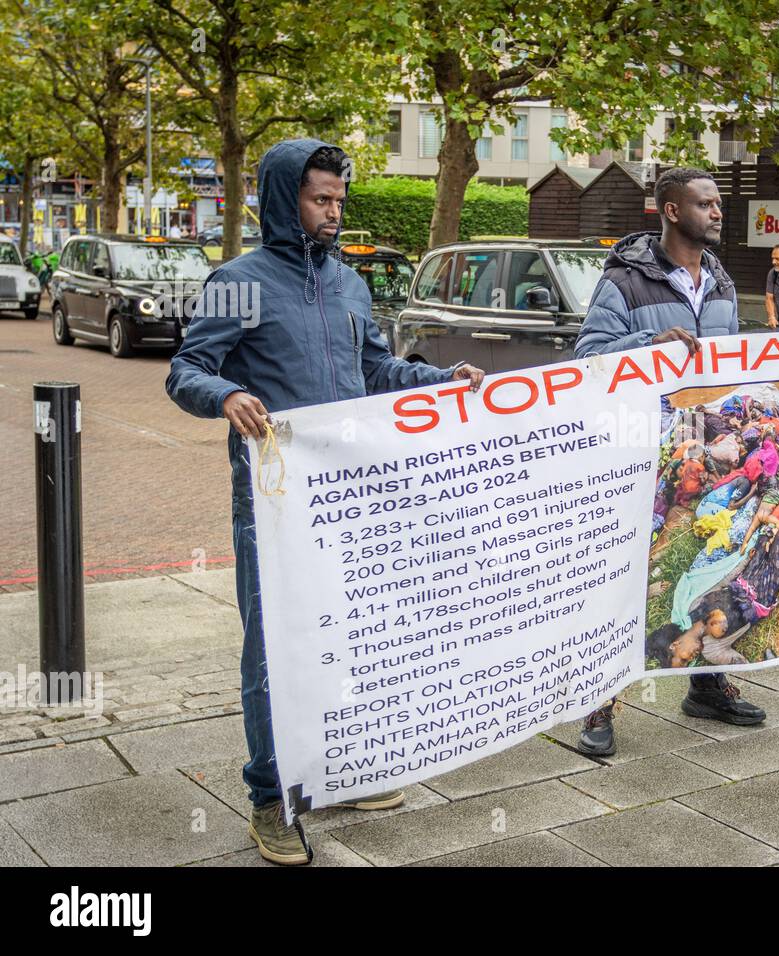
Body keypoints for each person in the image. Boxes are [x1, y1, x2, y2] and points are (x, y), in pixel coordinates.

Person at [165, 139, 484, 865]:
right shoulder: (239, 281)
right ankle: (269, 798)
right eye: (320, 199)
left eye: (340, 199)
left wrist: (440, 381)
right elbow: (187, 369)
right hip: (274, 504)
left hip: (351, 499)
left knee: (348, 635)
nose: (334, 212)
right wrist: (228, 394)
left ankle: (338, 774)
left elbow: (374, 368)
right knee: (274, 652)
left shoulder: (349, 284)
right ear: (287, 200)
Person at [575, 166, 767, 754]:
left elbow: (726, 367)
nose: (717, 213)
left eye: (718, 204)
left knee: (713, 554)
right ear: (671, 210)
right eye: (705, 204)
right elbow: (586, 357)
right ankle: (598, 705)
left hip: (701, 454)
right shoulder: (624, 283)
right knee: (627, 573)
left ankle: (704, 685)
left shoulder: (722, 283)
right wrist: (644, 346)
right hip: (638, 453)